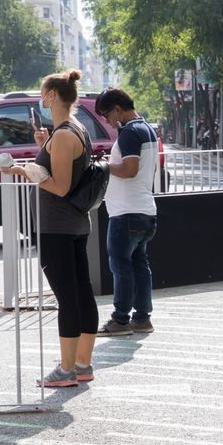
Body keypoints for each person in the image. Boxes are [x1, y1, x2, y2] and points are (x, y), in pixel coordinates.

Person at [3, 69, 97, 387]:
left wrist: (26, 168)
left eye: (42, 94)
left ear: (52, 96)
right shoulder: (75, 129)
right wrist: (43, 147)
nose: (40, 99)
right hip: (73, 224)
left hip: (57, 226)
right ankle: (82, 364)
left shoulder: (66, 135)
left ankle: (67, 369)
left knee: (68, 297)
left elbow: (58, 186)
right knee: (81, 292)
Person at [95, 88, 159, 336]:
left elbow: (130, 169)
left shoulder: (130, 132)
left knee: (121, 267)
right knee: (139, 266)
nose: (107, 121)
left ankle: (120, 320)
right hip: (144, 210)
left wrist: (103, 166)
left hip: (127, 213)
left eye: (106, 115)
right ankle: (142, 318)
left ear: (118, 109)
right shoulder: (147, 129)